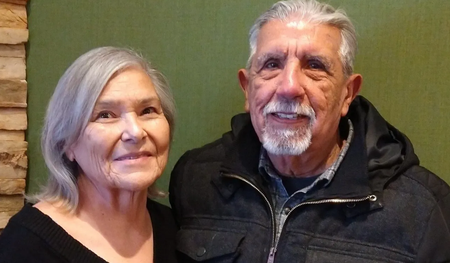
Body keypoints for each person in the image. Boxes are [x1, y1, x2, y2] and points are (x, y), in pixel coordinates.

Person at [169, 0, 450, 262]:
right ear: (247, 88)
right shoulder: (195, 179)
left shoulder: (425, 210)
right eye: (271, 65)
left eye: (314, 66)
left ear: (347, 94)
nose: (289, 87)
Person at [0, 47, 178, 263]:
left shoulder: (175, 229)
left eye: (147, 110)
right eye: (105, 115)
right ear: (68, 143)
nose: (135, 132)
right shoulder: (26, 246)